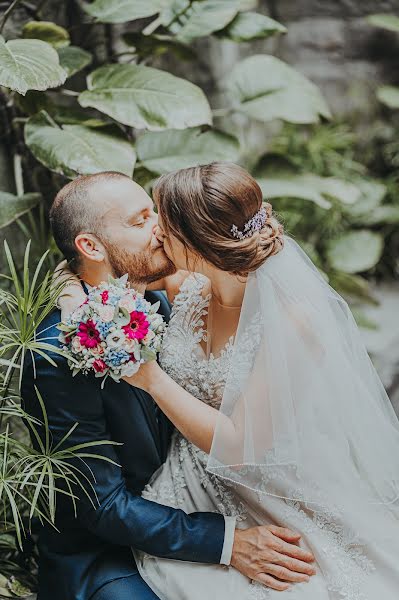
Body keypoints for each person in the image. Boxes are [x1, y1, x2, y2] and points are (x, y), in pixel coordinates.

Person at [60, 162, 399, 600]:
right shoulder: (187, 284)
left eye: (162, 221)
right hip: (191, 479)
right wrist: (68, 292)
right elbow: (95, 266)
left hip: (267, 482)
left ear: (196, 241)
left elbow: (239, 447)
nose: (156, 233)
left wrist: (150, 378)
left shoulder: (293, 322)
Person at [21, 171, 316, 600]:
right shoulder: (57, 353)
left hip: (211, 491)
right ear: (91, 246)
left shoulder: (163, 295)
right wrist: (227, 543)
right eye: (140, 220)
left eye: (155, 213)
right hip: (111, 545)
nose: (160, 228)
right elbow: (100, 505)